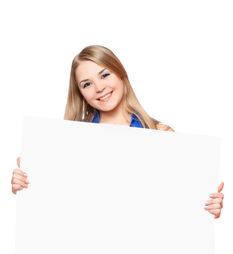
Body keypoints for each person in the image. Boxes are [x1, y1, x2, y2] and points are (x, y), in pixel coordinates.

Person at [11, 45, 224, 218]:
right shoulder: (68, 142)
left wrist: (207, 206)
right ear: (81, 93)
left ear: (121, 74)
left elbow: (179, 206)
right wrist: (27, 187)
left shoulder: (160, 134)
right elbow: (54, 207)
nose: (99, 88)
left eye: (104, 75)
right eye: (87, 84)